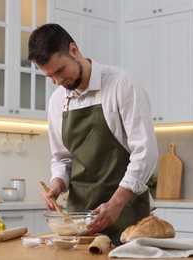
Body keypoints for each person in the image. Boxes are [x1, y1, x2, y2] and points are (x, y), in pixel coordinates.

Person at [28, 23, 158, 244]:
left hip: (127, 216)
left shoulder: (121, 84)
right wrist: (57, 185)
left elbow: (145, 153)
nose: (58, 82)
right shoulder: (58, 100)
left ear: (73, 50)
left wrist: (116, 204)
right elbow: (63, 158)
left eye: (59, 71)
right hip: (80, 221)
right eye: (49, 77)